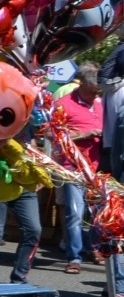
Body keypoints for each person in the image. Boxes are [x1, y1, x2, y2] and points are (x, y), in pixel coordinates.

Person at [57, 62, 104, 274]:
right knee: (75, 214)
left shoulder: (101, 103)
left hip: (97, 167)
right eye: (92, 90)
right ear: (82, 83)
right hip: (73, 167)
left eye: (98, 91)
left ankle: (96, 249)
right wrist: (83, 135)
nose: (95, 94)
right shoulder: (63, 104)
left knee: (99, 214)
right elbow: (53, 135)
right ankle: (74, 257)